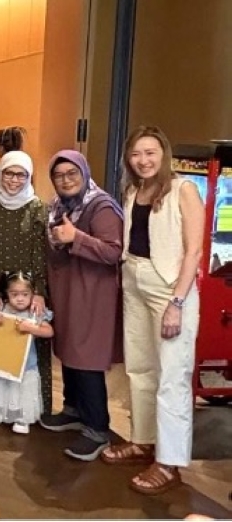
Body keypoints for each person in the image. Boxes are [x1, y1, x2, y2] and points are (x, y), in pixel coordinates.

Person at [101, 126, 203, 496]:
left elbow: (194, 251)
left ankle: (170, 461)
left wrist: (177, 302)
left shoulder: (183, 190)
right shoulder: (133, 192)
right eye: (136, 154)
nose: (143, 160)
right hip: (135, 281)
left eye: (150, 153)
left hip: (170, 288)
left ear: (164, 154)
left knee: (172, 377)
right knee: (140, 368)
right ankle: (142, 440)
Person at [39, 150, 123, 462]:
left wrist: (76, 237)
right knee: (70, 349)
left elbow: (113, 251)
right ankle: (73, 409)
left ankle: (97, 429)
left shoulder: (100, 206)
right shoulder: (59, 206)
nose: (65, 180)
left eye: (71, 173)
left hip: (93, 294)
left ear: (84, 173)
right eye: (59, 175)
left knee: (87, 355)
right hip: (68, 291)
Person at [0, 151, 53, 413]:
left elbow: (40, 252)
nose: (14, 180)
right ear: (1, 173)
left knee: (27, 346)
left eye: (21, 175)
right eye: (9, 173)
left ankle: (27, 410)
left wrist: (38, 291)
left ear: (29, 176)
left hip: (26, 292)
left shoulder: (37, 208)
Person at [0, 271, 54, 435]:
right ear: (6, 293)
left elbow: (49, 331)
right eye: (14, 294)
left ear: (32, 293)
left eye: (25, 294)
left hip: (25, 364)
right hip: (1, 359)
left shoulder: (34, 311)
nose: (20, 299)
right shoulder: (2, 307)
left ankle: (21, 417)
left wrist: (31, 327)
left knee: (20, 390)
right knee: (0, 386)